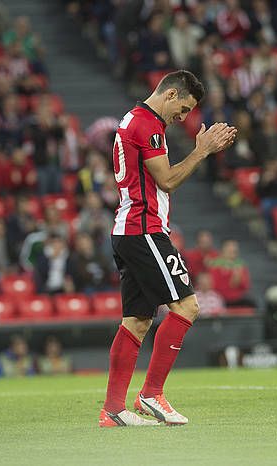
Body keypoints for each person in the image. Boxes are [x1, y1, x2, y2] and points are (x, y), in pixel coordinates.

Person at [100, 70, 236, 427]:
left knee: (137, 321)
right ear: (171, 94)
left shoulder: (132, 119)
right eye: (184, 108)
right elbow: (168, 179)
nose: (184, 117)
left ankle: (113, 410)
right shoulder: (148, 125)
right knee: (188, 306)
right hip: (144, 229)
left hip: (127, 229)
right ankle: (151, 394)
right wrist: (201, 152)